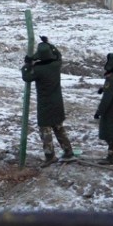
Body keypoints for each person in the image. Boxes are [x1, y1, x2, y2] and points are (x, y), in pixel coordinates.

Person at [22, 36, 73, 167]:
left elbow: (27, 77)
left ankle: (50, 156)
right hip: (57, 103)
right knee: (59, 128)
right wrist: (49, 44)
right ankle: (68, 152)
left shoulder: (38, 70)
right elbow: (58, 55)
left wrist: (27, 64)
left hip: (45, 105)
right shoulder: (56, 65)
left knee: (45, 131)